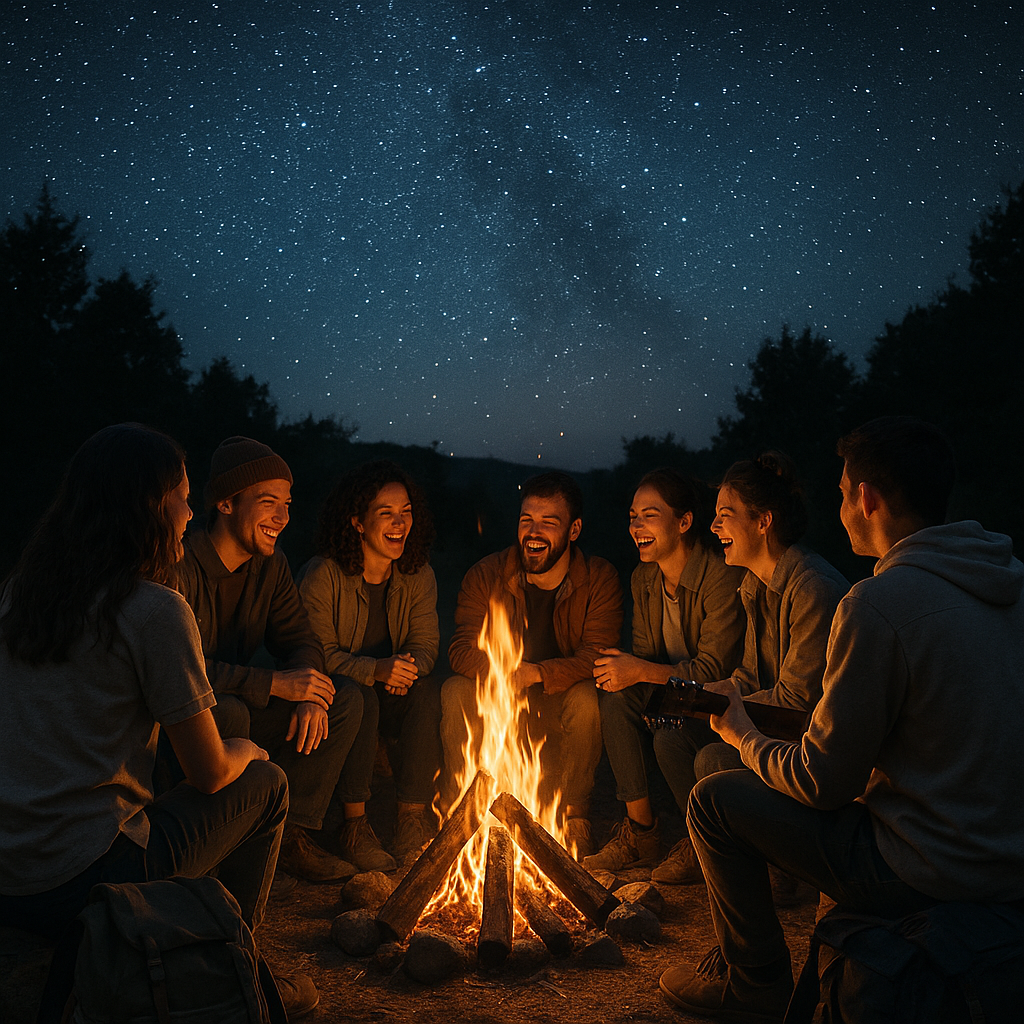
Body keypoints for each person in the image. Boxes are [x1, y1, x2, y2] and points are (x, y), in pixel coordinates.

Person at [659, 416, 1024, 1022]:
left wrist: (742, 733)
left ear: (868, 498)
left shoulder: (877, 603)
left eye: (841, 492)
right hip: (1007, 856)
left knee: (713, 799)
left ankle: (753, 989)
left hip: (930, 867)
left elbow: (823, 782)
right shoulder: (1008, 584)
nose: (838, 507)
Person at [0, 424, 316, 1018]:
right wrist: (248, 748)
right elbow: (209, 774)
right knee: (266, 785)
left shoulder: (20, 595)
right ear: (150, 506)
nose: (190, 514)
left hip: (9, 872)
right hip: (83, 876)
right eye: (184, 499)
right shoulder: (152, 609)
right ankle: (231, 961)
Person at [650, 452, 848, 886]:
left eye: (726, 515)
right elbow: (748, 679)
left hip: (807, 742)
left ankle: (777, 865)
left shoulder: (811, 589)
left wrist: (726, 706)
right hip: (773, 721)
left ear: (763, 522)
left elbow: (799, 703)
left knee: (715, 756)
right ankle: (704, 844)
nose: (715, 527)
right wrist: (705, 697)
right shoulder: (755, 586)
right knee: (672, 737)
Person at [176, 436, 363, 882]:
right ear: (225, 503)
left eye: (287, 503)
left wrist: (311, 690)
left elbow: (301, 638)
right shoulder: (180, 564)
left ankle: (291, 835)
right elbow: (183, 673)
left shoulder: (271, 565)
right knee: (230, 712)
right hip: (183, 722)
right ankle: (214, 845)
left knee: (344, 698)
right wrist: (276, 684)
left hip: (236, 701)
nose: (282, 517)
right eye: (268, 502)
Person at [440, 471, 623, 857]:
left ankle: (576, 819)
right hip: (502, 700)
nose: (533, 532)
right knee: (454, 689)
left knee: (587, 699)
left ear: (574, 531)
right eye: (527, 521)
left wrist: (538, 673)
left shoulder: (598, 578)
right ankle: (468, 813)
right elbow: (459, 649)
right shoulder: (487, 574)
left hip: (558, 700)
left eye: (548, 523)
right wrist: (503, 673)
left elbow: (598, 656)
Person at [585, 469, 745, 874]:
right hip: (674, 690)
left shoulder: (719, 576)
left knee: (666, 736)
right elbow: (645, 654)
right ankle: (642, 833)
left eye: (649, 515)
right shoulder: (644, 579)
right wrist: (631, 671)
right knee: (615, 693)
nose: (635, 526)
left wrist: (639, 670)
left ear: (684, 522)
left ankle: (699, 840)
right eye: (633, 516)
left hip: (719, 696)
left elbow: (714, 669)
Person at [298, 461, 442, 869]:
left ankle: (411, 818)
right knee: (360, 694)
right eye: (386, 513)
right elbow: (315, 651)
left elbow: (427, 644)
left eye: (407, 512)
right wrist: (375, 670)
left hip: (392, 692)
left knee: (428, 690)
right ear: (358, 522)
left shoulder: (418, 575)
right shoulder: (323, 575)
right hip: (338, 699)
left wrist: (406, 668)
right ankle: (354, 825)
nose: (400, 523)